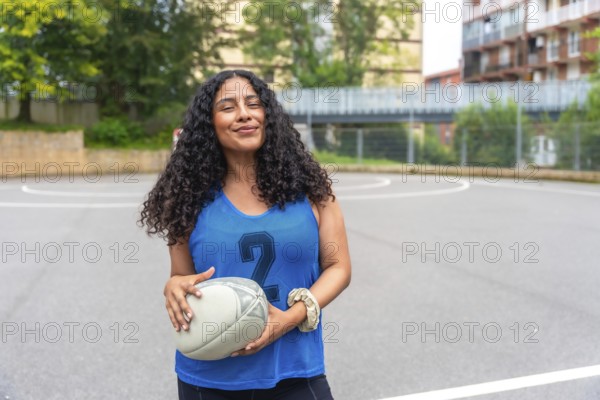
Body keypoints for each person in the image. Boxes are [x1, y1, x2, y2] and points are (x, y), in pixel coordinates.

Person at [139, 69, 351, 400]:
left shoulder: (312, 188)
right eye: (227, 107)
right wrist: (173, 286)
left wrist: (288, 319)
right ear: (209, 123)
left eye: (253, 103)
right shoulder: (187, 198)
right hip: (208, 379)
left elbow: (338, 266)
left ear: (268, 114)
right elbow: (181, 276)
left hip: (295, 373)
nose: (244, 114)